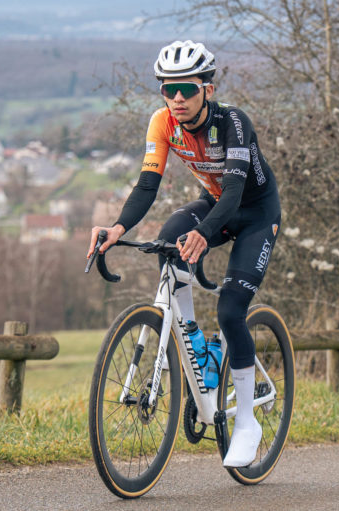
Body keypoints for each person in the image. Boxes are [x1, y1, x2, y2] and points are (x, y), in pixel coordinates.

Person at [87, 40, 281, 468]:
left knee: (230, 311)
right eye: (168, 89)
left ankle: (247, 422)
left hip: (254, 213)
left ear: (207, 89)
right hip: (215, 204)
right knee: (170, 235)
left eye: (187, 89)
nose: (177, 98)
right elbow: (147, 185)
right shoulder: (162, 122)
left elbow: (235, 191)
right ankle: (193, 337)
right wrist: (117, 228)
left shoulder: (233, 123)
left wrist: (205, 234)